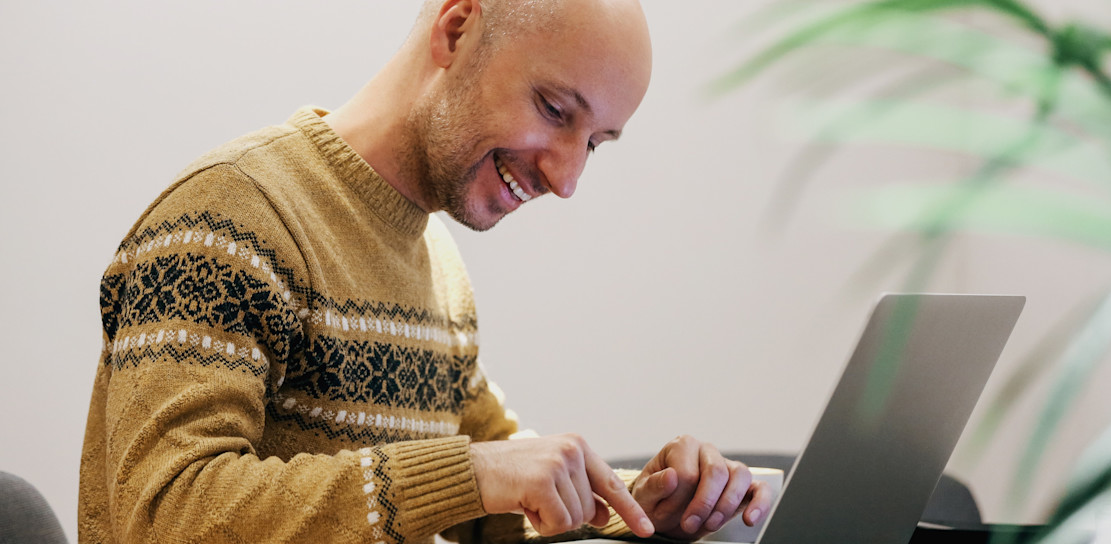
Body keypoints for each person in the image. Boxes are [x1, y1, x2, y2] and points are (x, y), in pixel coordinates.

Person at [78, 0, 773, 542]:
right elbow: (163, 516)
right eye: (555, 110)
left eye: (594, 142)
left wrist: (640, 505)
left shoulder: (440, 273)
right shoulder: (228, 220)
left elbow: (497, 505)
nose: (567, 178)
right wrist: (468, 473)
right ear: (458, 28)